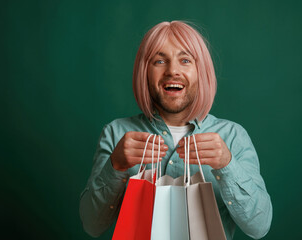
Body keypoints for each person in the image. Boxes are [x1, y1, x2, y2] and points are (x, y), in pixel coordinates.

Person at [79, 20, 272, 240]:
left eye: (185, 60)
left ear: (201, 72)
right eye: (159, 61)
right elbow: (92, 225)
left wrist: (227, 165)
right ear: (145, 72)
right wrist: (116, 166)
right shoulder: (116, 134)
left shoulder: (233, 137)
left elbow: (259, 227)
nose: (173, 71)